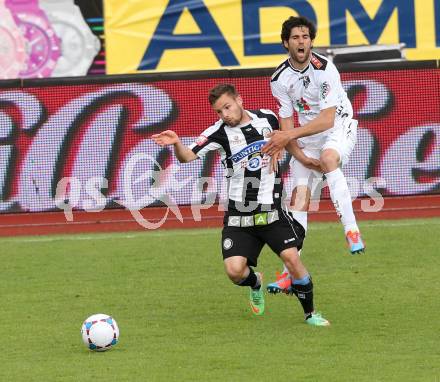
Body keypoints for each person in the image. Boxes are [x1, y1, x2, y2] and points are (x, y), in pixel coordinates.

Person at [152, 83, 330, 326]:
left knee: (292, 258)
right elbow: (187, 157)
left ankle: (311, 314)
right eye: (219, 111)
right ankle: (255, 282)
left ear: (239, 100)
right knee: (235, 272)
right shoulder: (218, 132)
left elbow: (285, 138)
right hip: (239, 215)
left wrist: (296, 156)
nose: (225, 114)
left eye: (227, 107)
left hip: (271, 209)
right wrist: (176, 144)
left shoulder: (267, 117)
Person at [263, 16, 365, 294]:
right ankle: (288, 274)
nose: (301, 42)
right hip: (305, 138)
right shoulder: (279, 78)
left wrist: (289, 138)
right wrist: (300, 156)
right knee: (298, 200)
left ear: (311, 41)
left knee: (330, 159)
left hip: (338, 126)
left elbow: (326, 120)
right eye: (296, 37)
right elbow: (285, 125)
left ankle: (351, 230)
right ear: (286, 43)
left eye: (305, 37)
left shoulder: (325, 70)